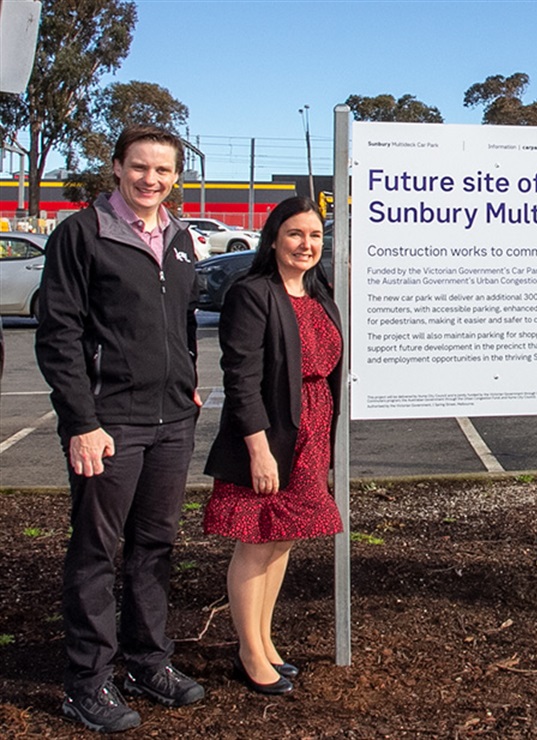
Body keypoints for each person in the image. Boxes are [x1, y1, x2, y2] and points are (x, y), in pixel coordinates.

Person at [35, 125, 205, 733]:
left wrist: (185, 378)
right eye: (138, 167)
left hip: (172, 422)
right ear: (116, 168)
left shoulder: (182, 238)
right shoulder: (81, 234)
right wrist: (82, 422)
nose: (150, 179)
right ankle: (86, 683)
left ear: (176, 177)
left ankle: (147, 662)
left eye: (162, 170)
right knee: (96, 553)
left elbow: (181, 320)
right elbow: (58, 335)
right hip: (109, 426)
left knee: (154, 549)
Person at [203, 196, 343, 695]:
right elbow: (240, 378)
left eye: (315, 236)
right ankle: (248, 651)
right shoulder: (252, 293)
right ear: (274, 238)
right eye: (295, 234)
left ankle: (264, 640)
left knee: (283, 537)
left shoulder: (319, 292)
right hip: (270, 432)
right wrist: (259, 449)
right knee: (256, 539)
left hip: (312, 430)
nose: (306, 244)